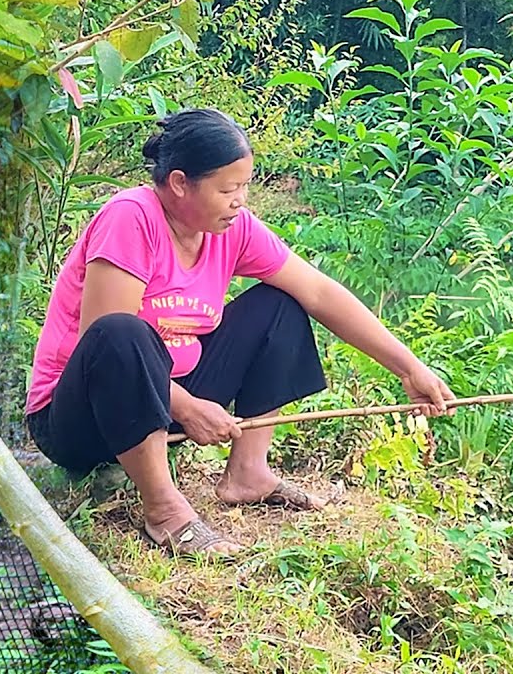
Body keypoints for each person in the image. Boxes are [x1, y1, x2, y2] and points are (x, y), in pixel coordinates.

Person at [24, 108, 455, 557]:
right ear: (178, 183)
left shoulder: (231, 229)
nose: (240, 201)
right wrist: (188, 407)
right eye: (227, 189)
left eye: (245, 186)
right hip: (81, 416)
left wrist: (409, 369)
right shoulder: (131, 218)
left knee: (281, 304)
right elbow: (102, 338)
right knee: (122, 331)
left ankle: (248, 473)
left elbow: (320, 292)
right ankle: (164, 510)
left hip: (161, 402)